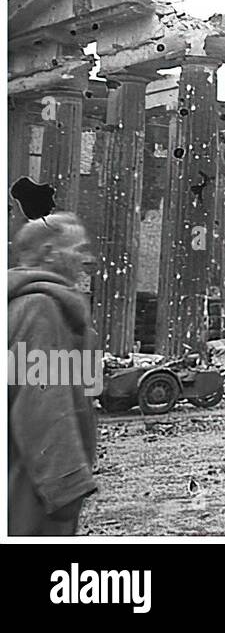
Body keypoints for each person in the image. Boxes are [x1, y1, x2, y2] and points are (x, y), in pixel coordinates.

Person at [8, 212, 99, 535]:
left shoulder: (27, 306)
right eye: (78, 249)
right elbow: (42, 407)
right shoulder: (39, 310)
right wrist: (67, 486)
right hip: (31, 487)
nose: (85, 259)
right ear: (50, 254)